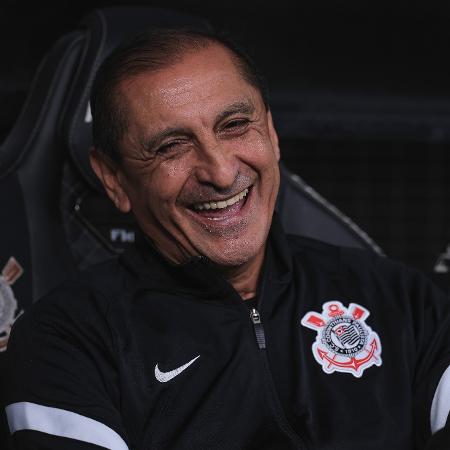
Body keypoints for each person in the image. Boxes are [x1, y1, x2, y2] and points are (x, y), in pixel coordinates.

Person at [3, 28, 450, 450]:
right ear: (114, 179)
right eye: (170, 147)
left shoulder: (405, 302)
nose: (219, 172)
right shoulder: (65, 341)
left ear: (271, 134)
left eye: (235, 125)